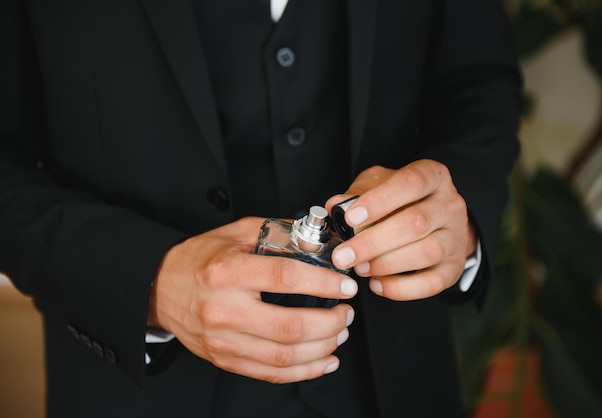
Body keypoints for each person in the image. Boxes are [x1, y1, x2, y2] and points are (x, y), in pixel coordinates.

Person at [0, 0, 521, 416]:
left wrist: (456, 209)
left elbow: (477, 77)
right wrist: (150, 282)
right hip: (137, 393)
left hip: (398, 380)